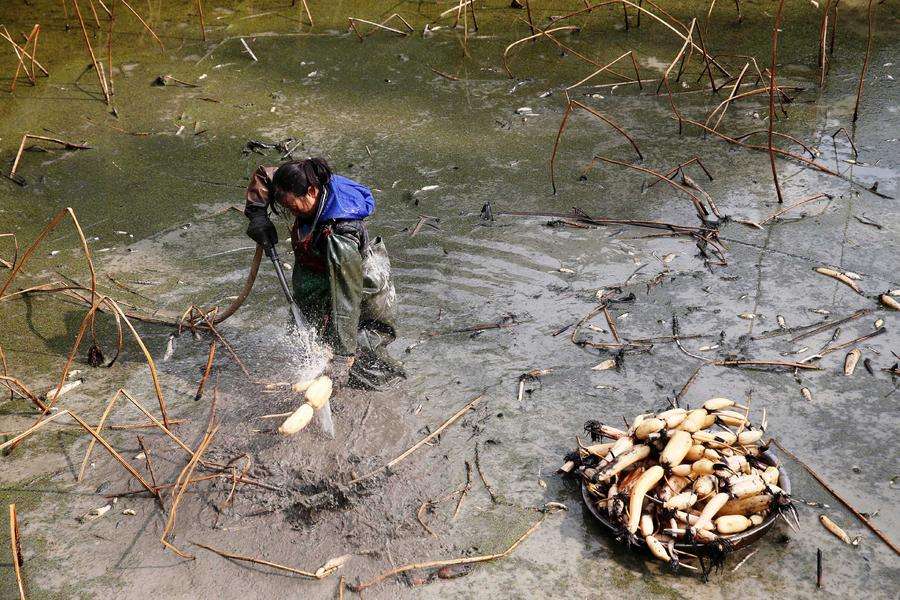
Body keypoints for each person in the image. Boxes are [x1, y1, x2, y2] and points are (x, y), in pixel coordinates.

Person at [244, 157, 404, 389]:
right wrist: (257, 213)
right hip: (318, 268)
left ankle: (384, 392)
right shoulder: (300, 178)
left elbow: (345, 301)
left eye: (291, 206)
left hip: (358, 281)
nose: (288, 211)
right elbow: (264, 175)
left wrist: (342, 355)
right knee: (307, 334)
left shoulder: (341, 234)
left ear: (311, 191)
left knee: (367, 352)